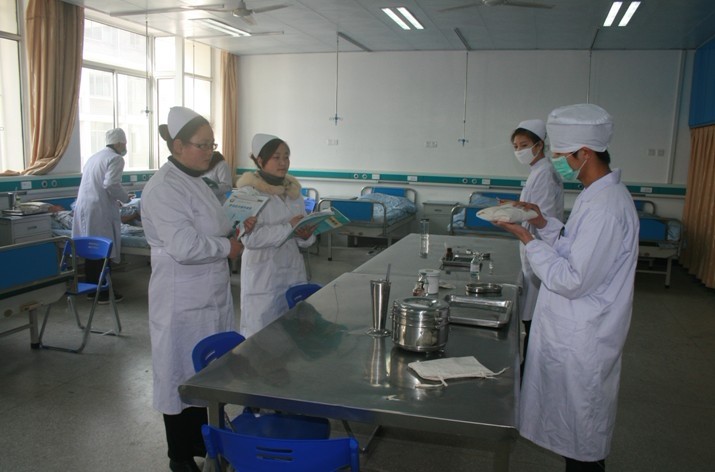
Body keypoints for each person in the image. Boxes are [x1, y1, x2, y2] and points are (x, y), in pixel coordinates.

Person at [496, 104, 639, 471]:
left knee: (582, 436)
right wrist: (542, 221)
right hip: (574, 330)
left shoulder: (606, 208)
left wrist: (527, 237)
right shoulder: (594, 195)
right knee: (573, 431)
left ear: (584, 153)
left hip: (585, 335)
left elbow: (572, 279)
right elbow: (573, 246)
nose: (557, 162)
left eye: (561, 155)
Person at [141, 106, 255, 472]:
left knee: (204, 373)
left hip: (208, 292)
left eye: (212, 144)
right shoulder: (164, 188)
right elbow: (184, 246)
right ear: (177, 145)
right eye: (202, 145)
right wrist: (227, 248)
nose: (209, 152)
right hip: (181, 297)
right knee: (179, 374)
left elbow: (214, 226)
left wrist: (237, 227)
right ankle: (179, 456)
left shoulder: (197, 181)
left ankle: (203, 442)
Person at [234, 133, 316, 338]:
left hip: (292, 271)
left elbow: (303, 237)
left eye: (286, 157)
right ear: (260, 160)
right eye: (276, 157)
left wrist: (305, 235)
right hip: (263, 277)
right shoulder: (247, 193)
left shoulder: (293, 191)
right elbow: (250, 239)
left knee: (291, 335)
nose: (283, 162)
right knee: (260, 337)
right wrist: (289, 227)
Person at [511, 119, 564, 373]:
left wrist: (513, 217)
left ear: (539, 144)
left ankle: (529, 370)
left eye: (524, 145)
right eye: (515, 146)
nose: (519, 150)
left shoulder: (545, 174)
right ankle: (529, 365)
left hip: (540, 247)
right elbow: (532, 209)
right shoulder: (538, 171)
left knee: (534, 317)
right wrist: (514, 208)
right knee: (531, 313)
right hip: (534, 248)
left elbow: (540, 216)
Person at [72, 127, 130, 303]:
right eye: (124, 144)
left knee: (91, 249)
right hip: (99, 209)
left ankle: (92, 290)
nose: (125, 147)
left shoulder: (94, 157)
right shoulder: (116, 158)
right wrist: (126, 198)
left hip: (85, 206)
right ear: (119, 143)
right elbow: (111, 184)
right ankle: (103, 292)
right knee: (102, 250)